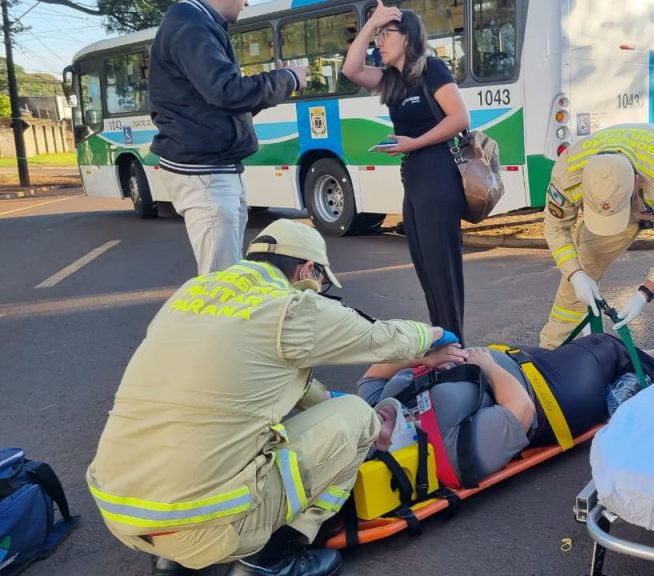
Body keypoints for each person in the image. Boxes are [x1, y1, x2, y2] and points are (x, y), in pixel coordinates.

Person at [86, 219, 464, 576]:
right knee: (357, 415)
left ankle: (170, 561)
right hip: (209, 525)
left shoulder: (191, 295)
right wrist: (438, 338)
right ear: (306, 270)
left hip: (120, 513)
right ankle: (275, 557)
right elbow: (382, 336)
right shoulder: (291, 308)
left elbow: (271, 387)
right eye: (321, 282)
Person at [357, 325, 654, 486]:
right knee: (608, 345)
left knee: (593, 346)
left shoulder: (379, 409)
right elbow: (521, 410)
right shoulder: (448, 454)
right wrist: (487, 366)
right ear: (394, 450)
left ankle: (650, 359)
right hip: (548, 397)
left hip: (520, 362)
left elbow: (374, 371)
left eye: (366, 425)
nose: (373, 421)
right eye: (377, 432)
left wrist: (426, 358)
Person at [342, 1, 471, 343]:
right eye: (378, 36)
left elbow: (459, 119)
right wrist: (371, 24)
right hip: (413, 178)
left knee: (442, 269)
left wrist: (413, 143)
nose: (379, 43)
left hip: (437, 175)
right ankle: (444, 341)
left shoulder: (433, 69)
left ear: (408, 36)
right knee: (425, 267)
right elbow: (351, 69)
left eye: (386, 35)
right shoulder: (392, 80)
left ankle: (455, 347)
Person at [149, 0, 309, 274]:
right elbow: (227, 92)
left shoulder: (197, 22)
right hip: (205, 170)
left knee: (227, 273)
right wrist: (287, 79)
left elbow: (227, 103)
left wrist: (282, 82)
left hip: (213, 167)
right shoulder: (190, 23)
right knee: (220, 280)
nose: (247, 2)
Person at [539, 123, 654, 350]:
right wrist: (575, 274)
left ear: (636, 181)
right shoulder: (567, 172)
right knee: (586, 257)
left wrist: (644, 293)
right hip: (628, 197)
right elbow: (555, 228)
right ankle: (552, 349)